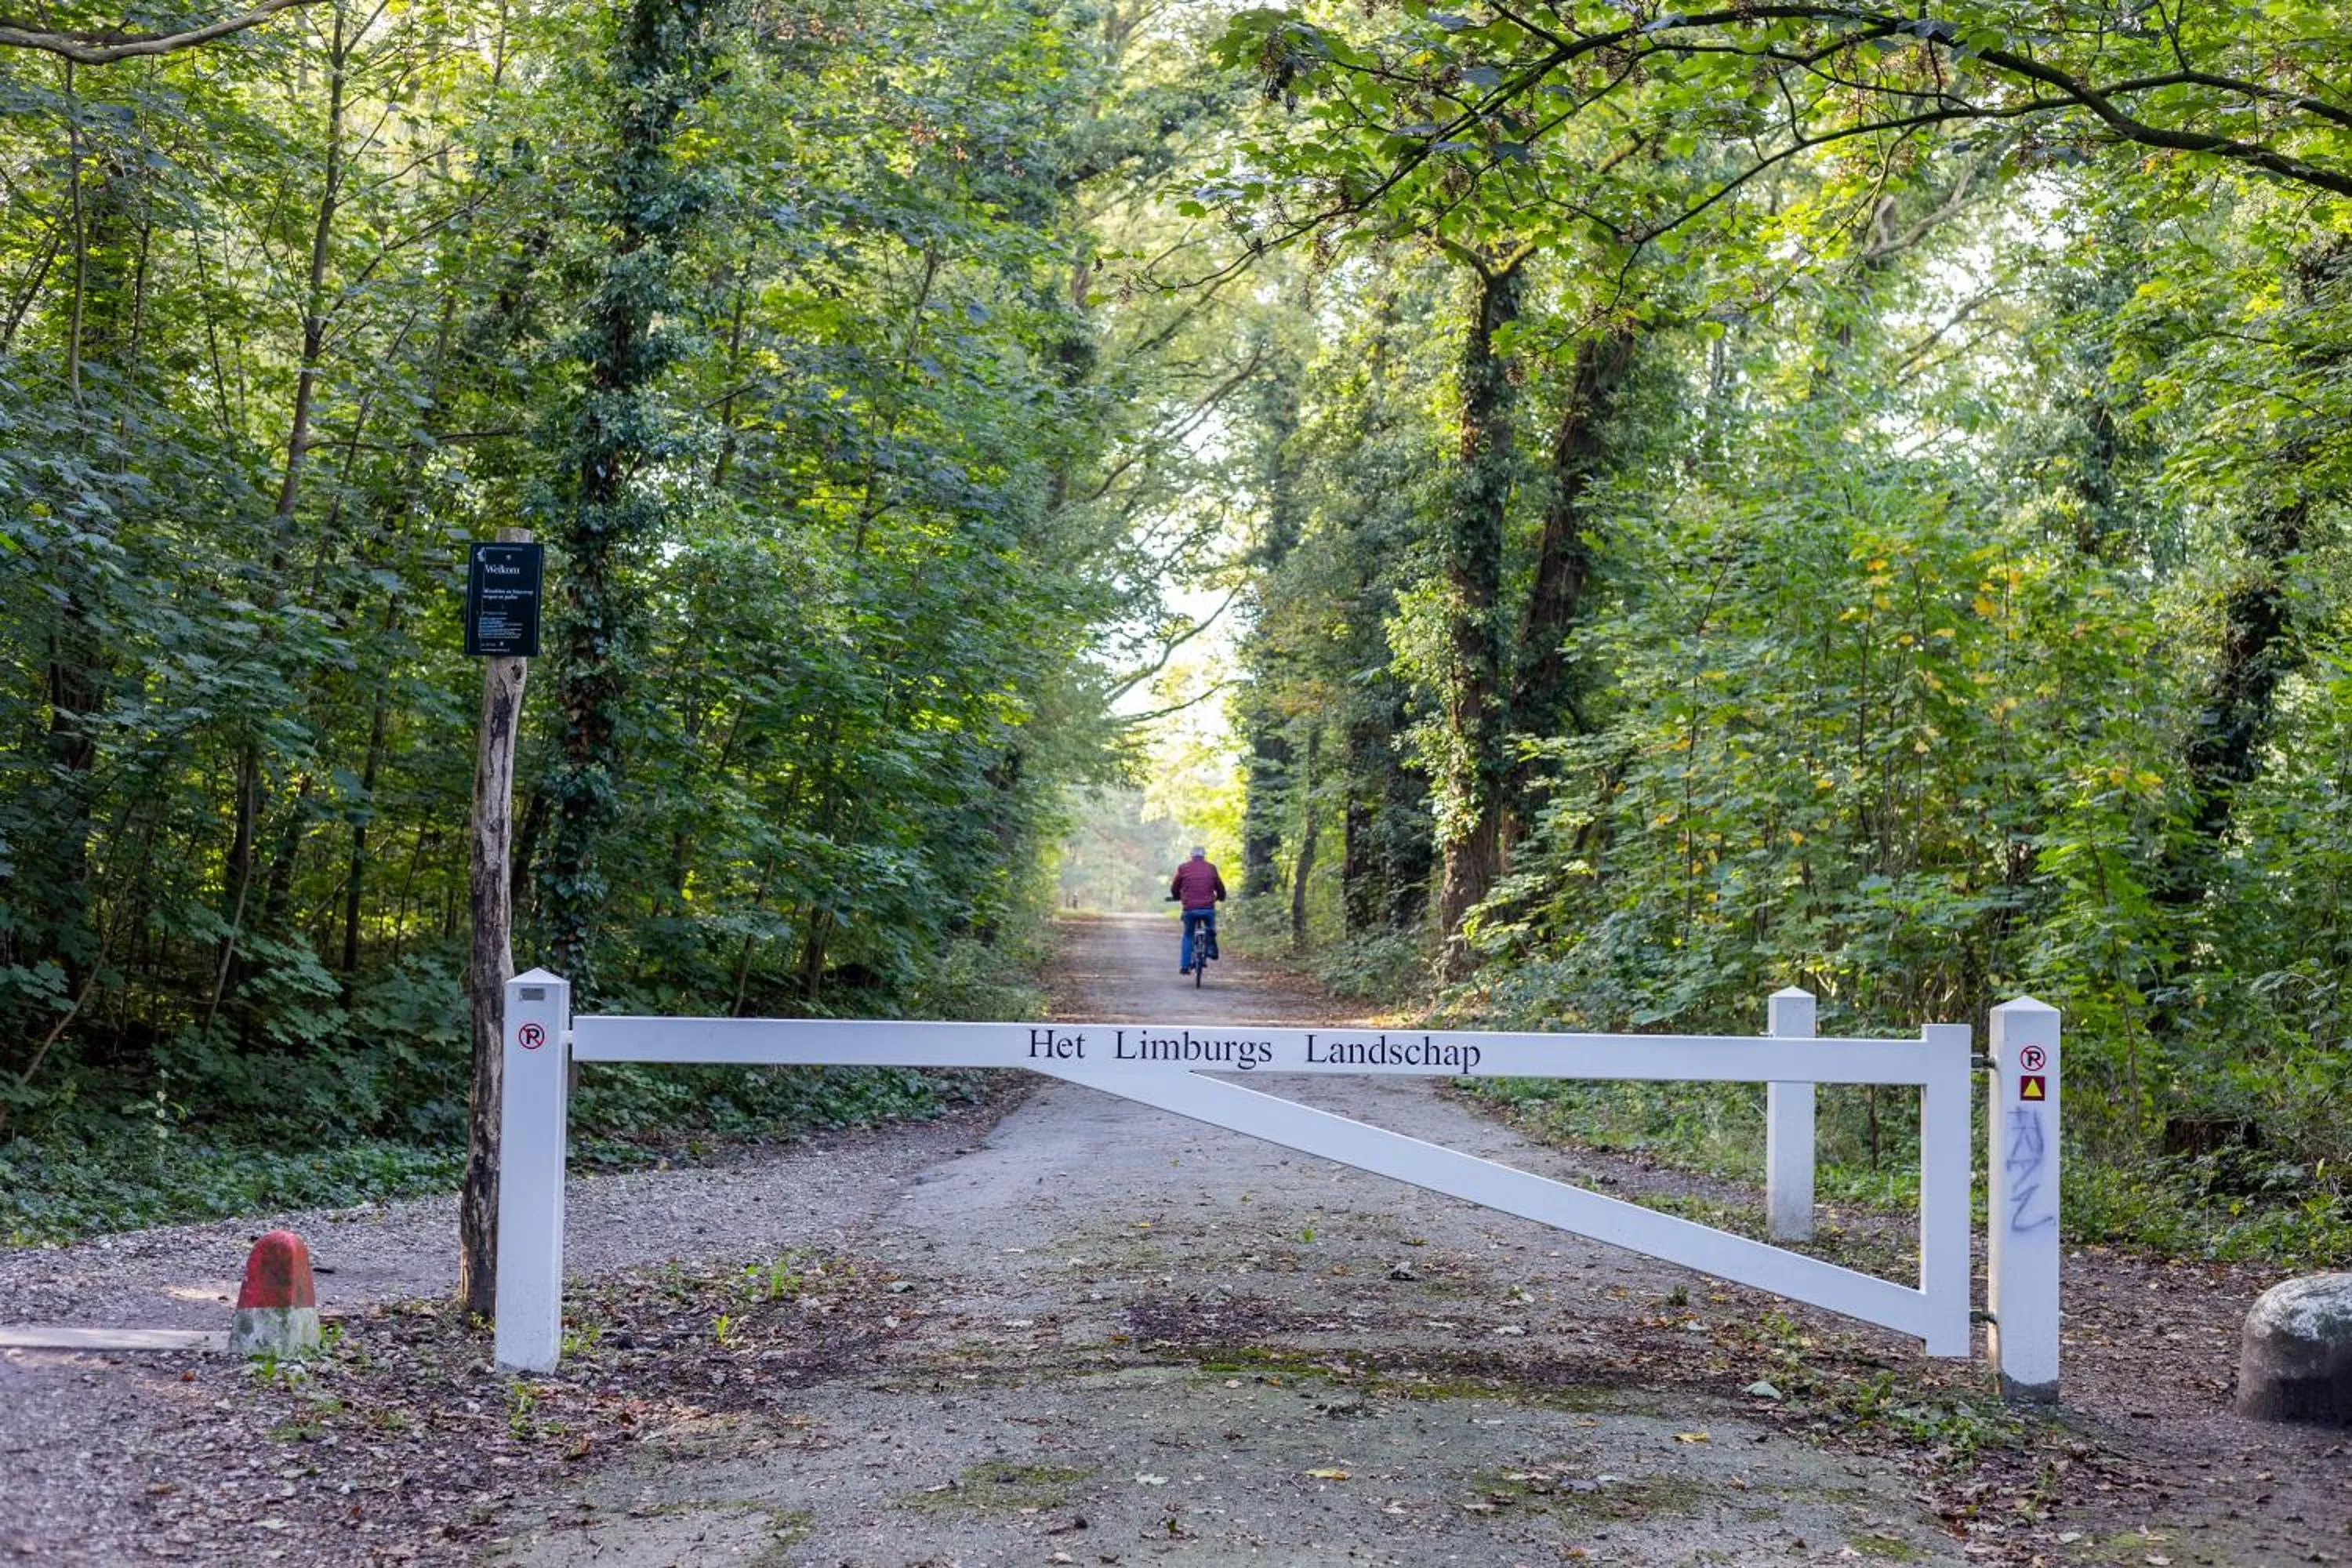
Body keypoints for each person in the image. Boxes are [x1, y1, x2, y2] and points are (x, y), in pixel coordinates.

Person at [1168, 846, 1226, 975]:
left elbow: (1175, 887)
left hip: (1190, 909)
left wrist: (1177, 896)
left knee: (1188, 934)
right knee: (1210, 927)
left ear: (1191, 855)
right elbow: (1219, 887)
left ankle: (1184, 966)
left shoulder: (1183, 868)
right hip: (1208, 908)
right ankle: (1211, 948)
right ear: (1204, 855)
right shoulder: (1211, 868)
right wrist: (1221, 897)